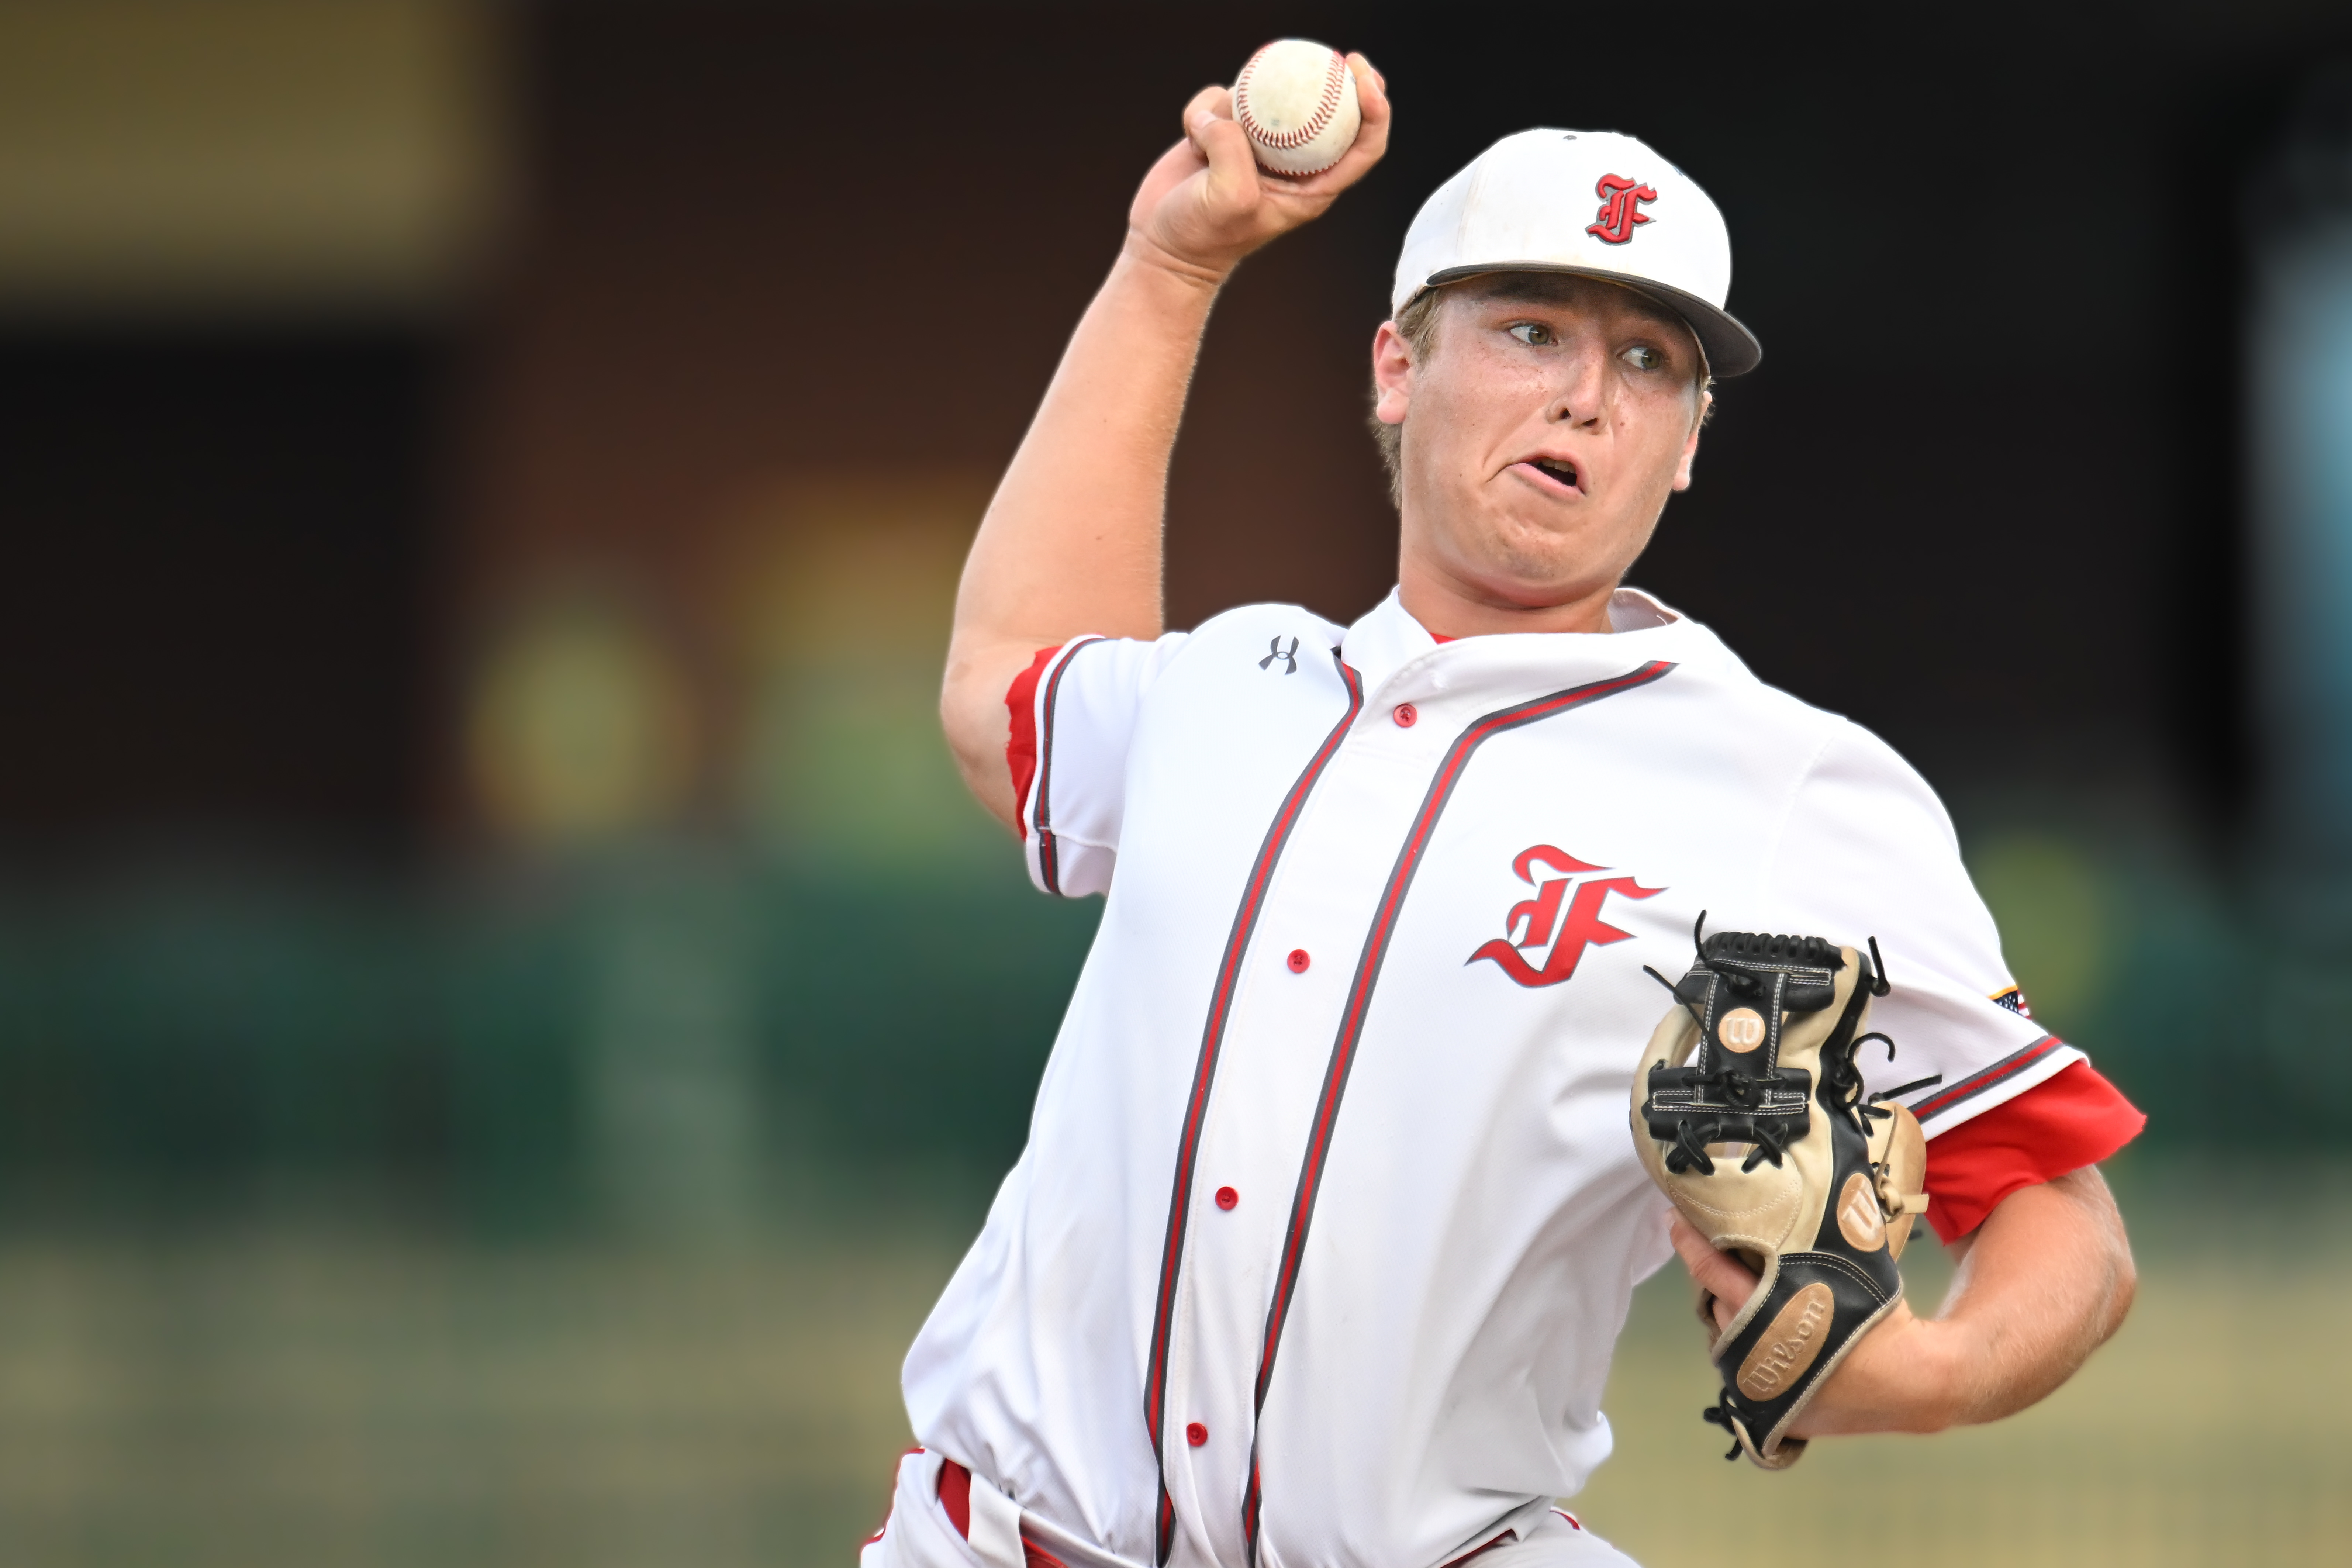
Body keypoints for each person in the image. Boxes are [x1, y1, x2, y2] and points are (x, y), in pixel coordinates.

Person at [867, 58, 2144, 1568]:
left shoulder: (1786, 790)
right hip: (997, 1540)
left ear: (1683, 451)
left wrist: (1928, 1374)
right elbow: (1004, 694)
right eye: (1530, 330)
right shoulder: (1230, 687)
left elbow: (2064, 1214)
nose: (1585, 395)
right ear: (1399, 371)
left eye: (1651, 363)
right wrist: (1172, 264)